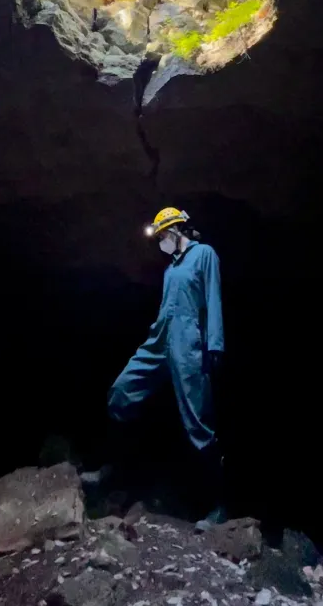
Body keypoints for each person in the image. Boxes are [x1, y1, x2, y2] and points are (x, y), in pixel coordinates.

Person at [81, 207, 227, 530]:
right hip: (160, 338)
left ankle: (217, 506)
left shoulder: (204, 255)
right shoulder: (170, 268)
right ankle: (113, 469)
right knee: (121, 392)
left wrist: (215, 343)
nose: (161, 242)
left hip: (189, 343)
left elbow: (213, 298)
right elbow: (166, 308)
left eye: (163, 236)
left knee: (198, 425)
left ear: (177, 231)